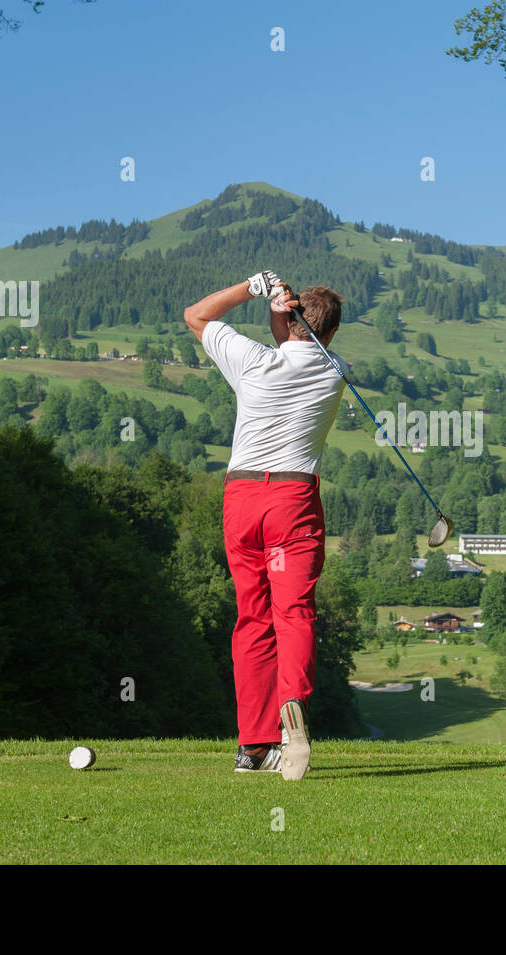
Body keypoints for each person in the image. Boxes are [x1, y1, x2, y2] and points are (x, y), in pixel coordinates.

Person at [184, 270, 346, 780]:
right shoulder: (335, 370)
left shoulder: (252, 361)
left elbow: (197, 315)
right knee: (292, 614)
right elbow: (305, 345)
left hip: (242, 498)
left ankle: (253, 747)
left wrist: (254, 289)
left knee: (252, 620)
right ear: (332, 332)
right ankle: (292, 716)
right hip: (292, 501)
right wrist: (285, 314)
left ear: (288, 319)